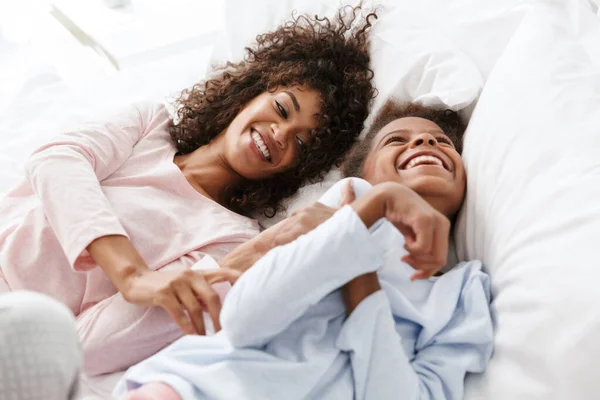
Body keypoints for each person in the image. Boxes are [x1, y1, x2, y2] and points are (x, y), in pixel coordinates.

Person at [0, 4, 378, 382]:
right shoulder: (150, 126)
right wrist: (131, 275)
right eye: (281, 109)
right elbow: (56, 162)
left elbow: (85, 348)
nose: (279, 133)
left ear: (300, 167)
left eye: (300, 142)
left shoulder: (231, 242)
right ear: (252, 92)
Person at [115, 101, 494, 400]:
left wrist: (358, 270)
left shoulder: (465, 295)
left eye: (442, 141)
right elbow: (247, 319)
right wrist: (366, 213)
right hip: (196, 387)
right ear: (364, 177)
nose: (426, 142)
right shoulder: (341, 209)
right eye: (395, 140)